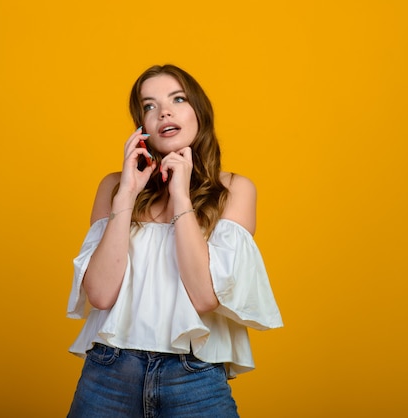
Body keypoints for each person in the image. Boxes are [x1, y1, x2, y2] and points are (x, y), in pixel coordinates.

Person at [66, 64, 283, 417]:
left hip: (193, 376)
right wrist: (126, 196)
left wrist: (181, 197)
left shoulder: (235, 190)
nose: (163, 111)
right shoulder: (113, 186)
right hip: (108, 373)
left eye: (177, 99)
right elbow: (101, 293)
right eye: (149, 106)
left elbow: (204, 296)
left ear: (199, 111)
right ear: (142, 128)